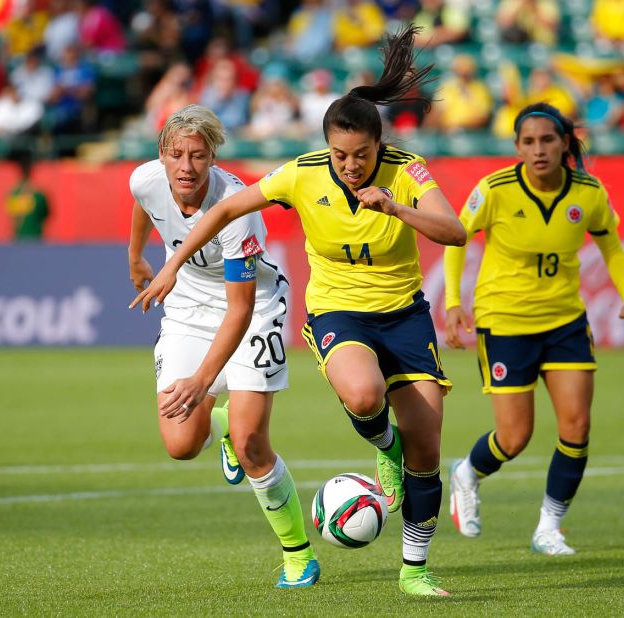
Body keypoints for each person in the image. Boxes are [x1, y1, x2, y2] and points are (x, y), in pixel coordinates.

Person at [132, 25, 467, 596]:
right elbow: (223, 211)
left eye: (361, 156)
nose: (350, 166)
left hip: (404, 312)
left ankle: (415, 569)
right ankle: (381, 447)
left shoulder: (407, 171)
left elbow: (454, 232)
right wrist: (168, 263)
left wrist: (395, 208)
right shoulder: (302, 172)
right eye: (340, 154)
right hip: (337, 311)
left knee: (428, 445)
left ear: (379, 147)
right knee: (363, 397)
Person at [126, 104, 317, 589]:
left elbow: (238, 309)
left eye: (197, 155)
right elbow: (144, 204)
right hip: (187, 305)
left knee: (253, 444)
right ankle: (219, 426)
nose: (185, 167)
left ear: (213, 157)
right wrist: (135, 257)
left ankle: (298, 556)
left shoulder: (237, 210)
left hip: (253, 310)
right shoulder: (146, 178)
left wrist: (203, 380)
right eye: (176, 154)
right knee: (180, 444)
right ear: (162, 155)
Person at [443, 102, 624, 555]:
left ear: (564, 143)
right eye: (529, 142)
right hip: (504, 322)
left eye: (548, 140)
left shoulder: (588, 193)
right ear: (517, 147)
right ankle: (467, 473)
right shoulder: (494, 189)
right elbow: (457, 239)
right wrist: (454, 303)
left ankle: (548, 528)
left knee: (576, 426)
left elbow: (610, 243)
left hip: (565, 321)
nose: (539, 150)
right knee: (515, 437)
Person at [5, 151, 50, 241]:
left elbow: (12, 216)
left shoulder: (14, 194)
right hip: (36, 238)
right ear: (31, 172)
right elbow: (46, 214)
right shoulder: (38, 195)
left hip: (19, 239)